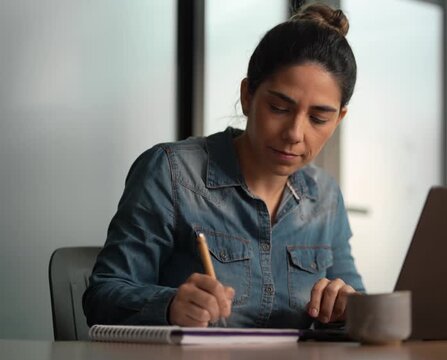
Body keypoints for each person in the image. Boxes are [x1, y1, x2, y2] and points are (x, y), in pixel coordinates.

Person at [83, 3, 364, 329]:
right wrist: (170, 306)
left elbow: (356, 302)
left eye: (318, 118)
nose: (294, 134)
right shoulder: (172, 173)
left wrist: (346, 305)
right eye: (278, 108)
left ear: (339, 118)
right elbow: (102, 296)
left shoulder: (325, 197)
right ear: (247, 96)